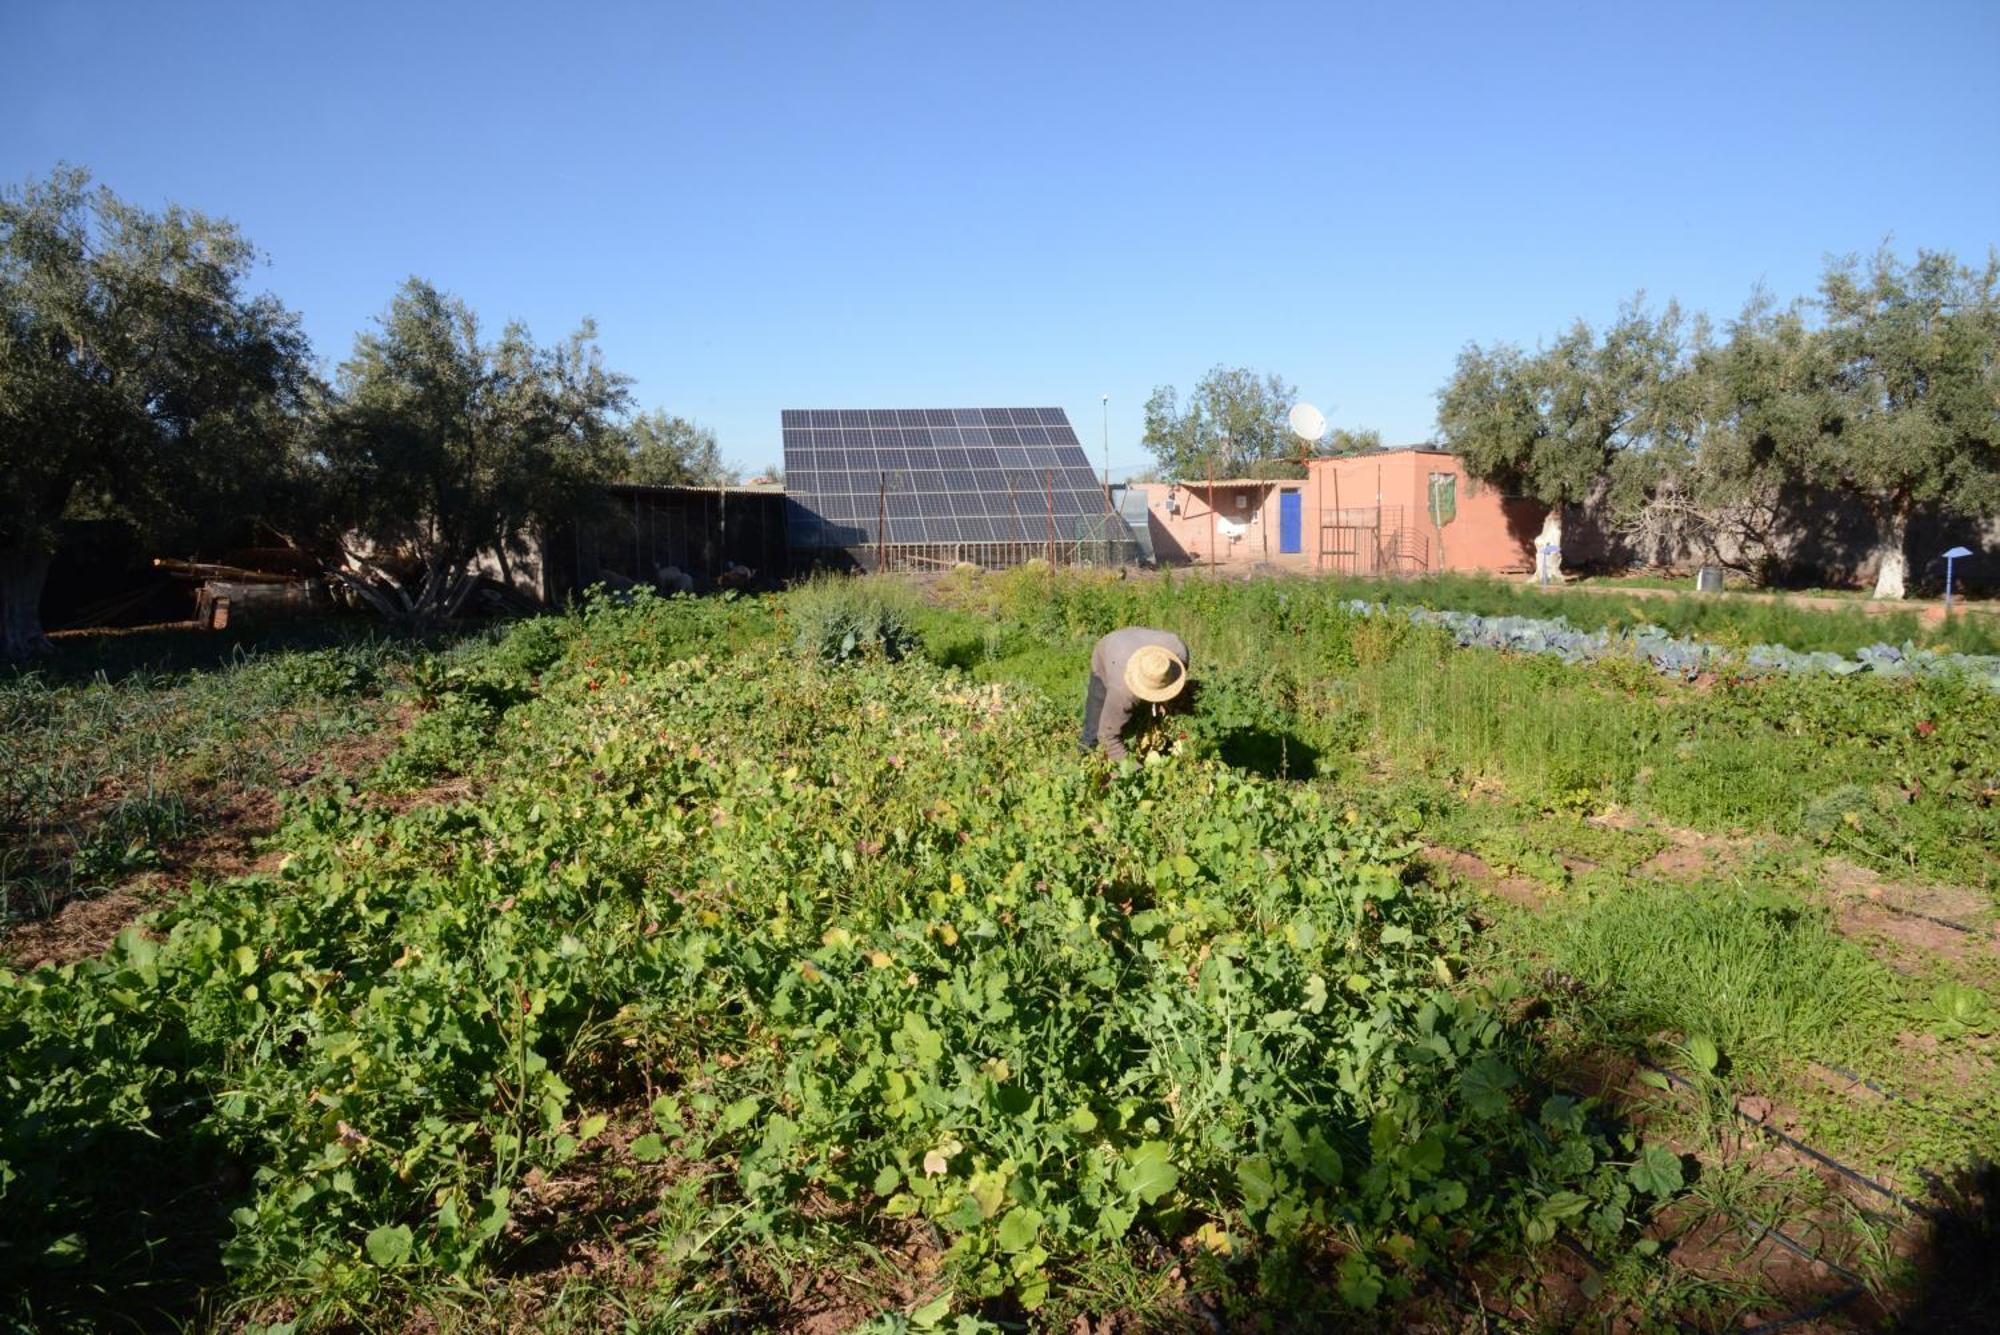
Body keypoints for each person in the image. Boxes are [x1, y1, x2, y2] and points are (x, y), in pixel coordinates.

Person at [1080, 627, 1191, 760]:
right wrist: (1133, 771)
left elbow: (1172, 681)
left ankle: (1140, 739)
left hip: (1134, 641)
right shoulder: (1122, 690)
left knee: (1142, 717)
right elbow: (1106, 736)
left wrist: (1162, 702)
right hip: (1111, 650)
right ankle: (1084, 755)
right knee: (1095, 725)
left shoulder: (1178, 653)